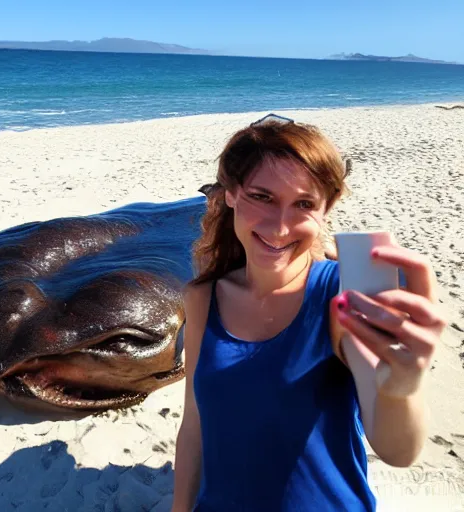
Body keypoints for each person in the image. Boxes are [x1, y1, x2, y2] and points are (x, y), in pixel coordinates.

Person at [171, 114, 446, 511]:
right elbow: (194, 424)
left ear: (326, 209)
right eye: (262, 197)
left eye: (303, 204)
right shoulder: (202, 298)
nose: (280, 227)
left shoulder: (341, 296)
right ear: (230, 193)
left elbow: (397, 451)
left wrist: (402, 385)